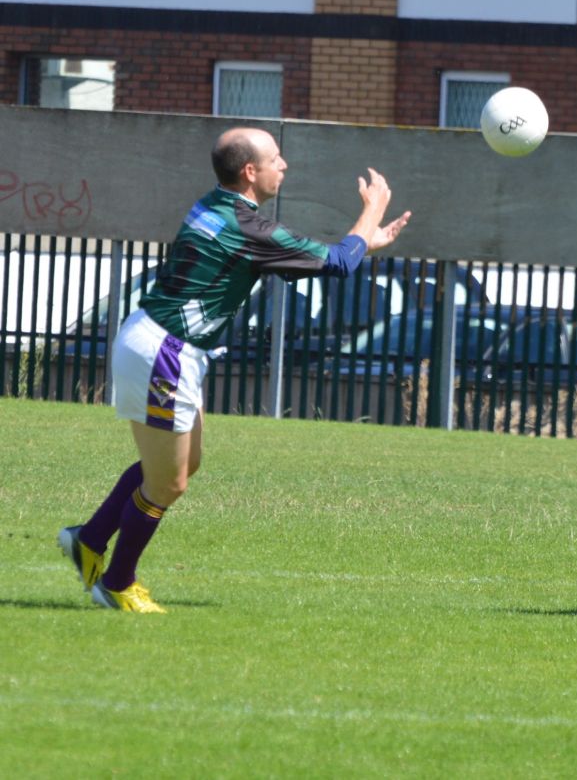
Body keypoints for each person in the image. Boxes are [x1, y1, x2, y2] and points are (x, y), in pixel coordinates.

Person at [57, 126, 411, 613]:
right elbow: (334, 265)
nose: (283, 165)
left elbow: (312, 260)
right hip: (166, 352)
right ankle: (116, 584)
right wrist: (373, 209)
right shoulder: (247, 227)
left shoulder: (215, 207)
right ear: (251, 172)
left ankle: (90, 540)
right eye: (276, 158)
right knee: (169, 482)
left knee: (181, 466)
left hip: (157, 341)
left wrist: (361, 246)